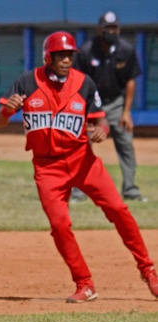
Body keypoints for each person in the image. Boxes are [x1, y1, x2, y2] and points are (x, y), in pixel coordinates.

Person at [0, 31, 158, 303]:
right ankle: (85, 283)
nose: (67, 60)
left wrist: (102, 131)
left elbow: (100, 120)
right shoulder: (26, 82)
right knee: (59, 225)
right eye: (61, 55)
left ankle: (149, 271)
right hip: (47, 168)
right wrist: (7, 111)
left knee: (118, 209)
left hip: (83, 161)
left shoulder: (84, 83)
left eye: (70, 55)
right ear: (49, 56)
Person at [72, 11, 146, 202]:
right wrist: (82, 113)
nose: (111, 32)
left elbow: (130, 82)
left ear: (119, 30)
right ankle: (79, 191)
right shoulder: (87, 50)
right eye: (107, 29)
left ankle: (130, 190)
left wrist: (127, 112)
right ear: (99, 30)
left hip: (115, 103)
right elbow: (77, 82)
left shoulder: (126, 50)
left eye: (114, 28)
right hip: (91, 104)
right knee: (81, 146)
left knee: (126, 144)